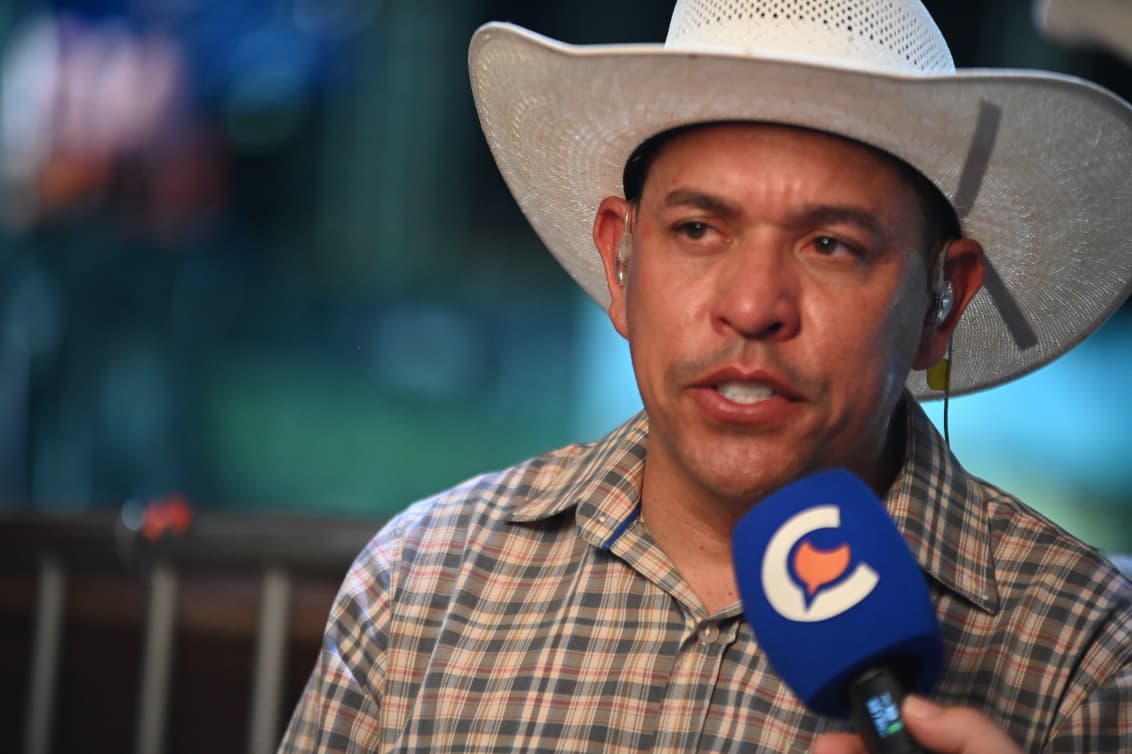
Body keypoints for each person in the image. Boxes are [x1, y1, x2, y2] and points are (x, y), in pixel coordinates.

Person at [279, 0, 1132, 751]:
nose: (753, 306)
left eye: (830, 244)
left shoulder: (1087, 655)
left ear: (942, 304)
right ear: (619, 261)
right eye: (698, 230)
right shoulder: (421, 585)